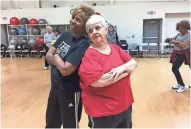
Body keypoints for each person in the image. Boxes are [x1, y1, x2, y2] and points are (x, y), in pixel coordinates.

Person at [79, 15, 137, 128]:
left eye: (97, 28)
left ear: (105, 29)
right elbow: (99, 81)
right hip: (103, 111)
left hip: (125, 104)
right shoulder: (90, 55)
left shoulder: (115, 48)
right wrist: (127, 71)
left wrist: (119, 69)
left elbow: (133, 63)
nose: (94, 32)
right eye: (90, 31)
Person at [45, 4, 95, 128]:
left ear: (85, 26)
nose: (72, 21)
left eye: (78, 20)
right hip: (55, 89)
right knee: (51, 124)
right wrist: (60, 61)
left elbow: (65, 70)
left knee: (70, 126)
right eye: (73, 17)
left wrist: (56, 54)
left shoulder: (83, 44)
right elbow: (47, 55)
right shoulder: (65, 35)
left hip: (70, 92)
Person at [170, 20, 190, 93]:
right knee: (175, 68)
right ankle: (179, 83)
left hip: (183, 53)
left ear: (185, 28)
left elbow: (184, 45)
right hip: (176, 52)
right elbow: (172, 40)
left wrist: (175, 42)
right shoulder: (179, 34)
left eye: (180, 28)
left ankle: (182, 85)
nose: (179, 29)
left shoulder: (189, 35)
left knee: (174, 68)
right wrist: (177, 42)